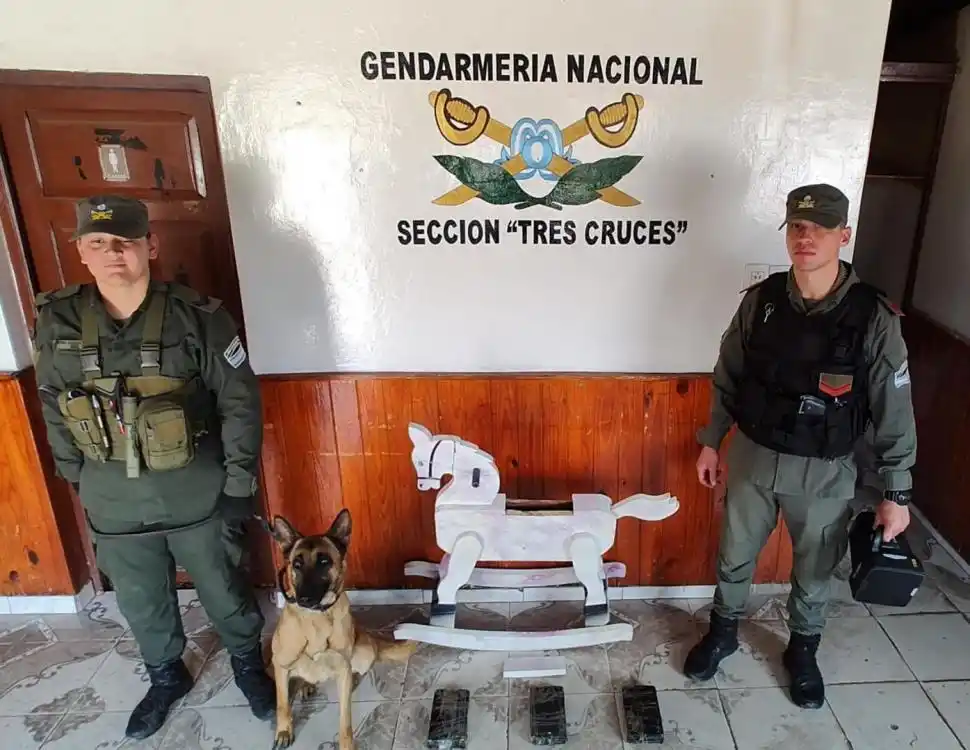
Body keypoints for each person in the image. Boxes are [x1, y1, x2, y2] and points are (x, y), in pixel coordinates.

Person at [31, 195, 275, 739]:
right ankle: (167, 676)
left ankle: (246, 664)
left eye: (126, 242)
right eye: (98, 243)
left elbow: (239, 402)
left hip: (196, 490)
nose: (113, 253)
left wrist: (239, 483)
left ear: (151, 245)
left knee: (223, 586)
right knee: (140, 596)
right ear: (81, 251)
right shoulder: (57, 318)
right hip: (111, 492)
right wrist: (74, 474)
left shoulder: (200, 317)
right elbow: (52, 400)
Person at [684, 183, 917, 708]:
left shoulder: (873, 317)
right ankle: (722, 632)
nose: (805, 237)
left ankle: (803, 650)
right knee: (734, 555)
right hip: (754, 455)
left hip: (825, 470)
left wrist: (896, 493)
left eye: (820, 228)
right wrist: (710, 442)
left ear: (844, 236)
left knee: (815, 569)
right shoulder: (762, 302)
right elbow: (728, 375)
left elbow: (895, 410)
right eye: (796, 226)